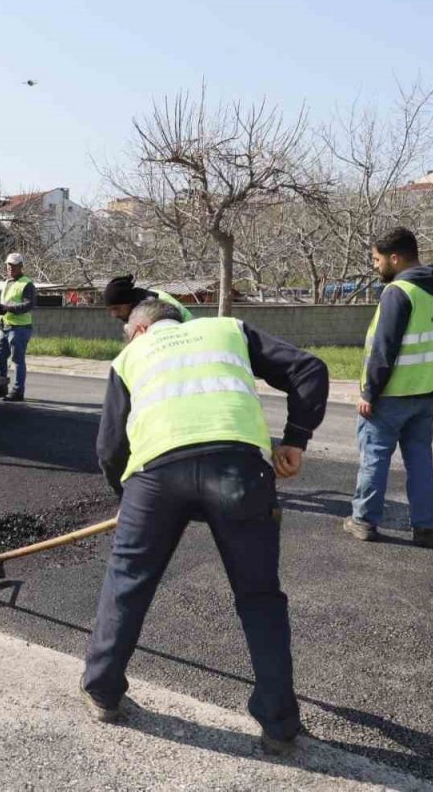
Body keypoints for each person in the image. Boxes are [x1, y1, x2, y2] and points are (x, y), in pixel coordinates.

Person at [81, 299, 328, 755]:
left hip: (154, 478)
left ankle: (103, 690)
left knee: (127, 583)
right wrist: (296, 439)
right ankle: (279, 724)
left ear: (137, 331)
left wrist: (128, 498)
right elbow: (309, 369)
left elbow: (110, 447)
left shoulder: (129, 356)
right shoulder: (228, 330)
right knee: (259, 597)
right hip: (239, 472)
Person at [346, 227, 433, 548]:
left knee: (374, 457)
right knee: (420, 460)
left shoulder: (400, 292)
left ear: (395, 258)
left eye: (376, 259)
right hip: (428, 393)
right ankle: (425, 527)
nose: (375, 265)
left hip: (392, 395)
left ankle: (364, 521)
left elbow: (384, 349)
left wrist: (369, 392)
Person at [0, 253, 35, 402]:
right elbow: (2, 302)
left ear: (21, 266)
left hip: (19, 327)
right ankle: (1, 386)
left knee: (17, 359)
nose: (10, 268)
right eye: (8, 265)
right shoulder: (7, 282)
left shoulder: (27, 283)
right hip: (5, 326)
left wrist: (8, 308)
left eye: (14, 265)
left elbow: (28, 304)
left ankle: (18, 391)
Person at [102, 274, 195, 322]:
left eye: (116, 308)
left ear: (129, 301)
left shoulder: (156, 304)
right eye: (110, 310)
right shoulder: (142, 303)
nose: (114, 315)